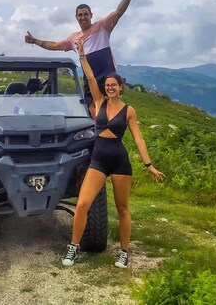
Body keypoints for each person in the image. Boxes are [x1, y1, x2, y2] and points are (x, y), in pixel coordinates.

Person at [62, 40, 165, 268]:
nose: (109, 87)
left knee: (122, 208)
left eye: (113, 85)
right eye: (107, 84)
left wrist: (149, 164)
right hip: (98, 160)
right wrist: (81, 55)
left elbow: (138, 138)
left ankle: (124, 252)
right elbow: (89, 77)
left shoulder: (129, 111)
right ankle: (73, 247)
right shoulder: (98, 103)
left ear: (120, 88)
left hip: (119, 161)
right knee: (82, 204)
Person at [24, 0, 137, 110]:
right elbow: (54, 45)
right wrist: (34, 41)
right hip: (90, 82)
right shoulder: (74, 38)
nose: (83, 17)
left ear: (91, 15)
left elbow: (117, 13)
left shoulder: (102, 26)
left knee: (112, 116)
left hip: (108, 80)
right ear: (76, 17)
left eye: (85, 14)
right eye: (80, 15)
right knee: (95, 118)